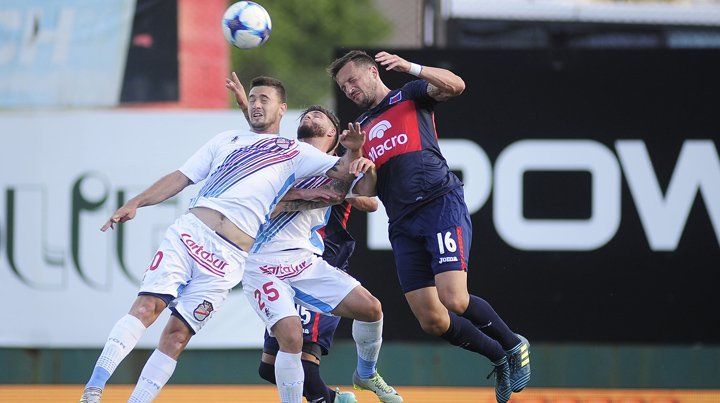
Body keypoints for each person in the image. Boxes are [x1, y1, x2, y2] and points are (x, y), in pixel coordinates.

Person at [79, 75, 371, 403]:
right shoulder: (226, 139)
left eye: (265, 99)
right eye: (253, 99)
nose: (257, 104)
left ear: (282, 109)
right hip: (190, 235)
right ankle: (93, 389)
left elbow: (344, 176)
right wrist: (136, 202)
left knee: (176, 337)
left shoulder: (294, 152)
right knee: (148, 307)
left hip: (228, 260)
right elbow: (181, 177)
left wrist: (354, 151)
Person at [327, 50, 531, 403]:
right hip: (402, 223)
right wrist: (359, 157)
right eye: (343, 86)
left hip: (438, 204)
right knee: (432, 319)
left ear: (373, 72)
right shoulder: (360, 128)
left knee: (454, 298)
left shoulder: (408, 95)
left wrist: (411, 67)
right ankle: (498, 357)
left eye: (352, 80)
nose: (349, 89)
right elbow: (368, 192)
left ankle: (514, 345)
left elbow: (457, 86)